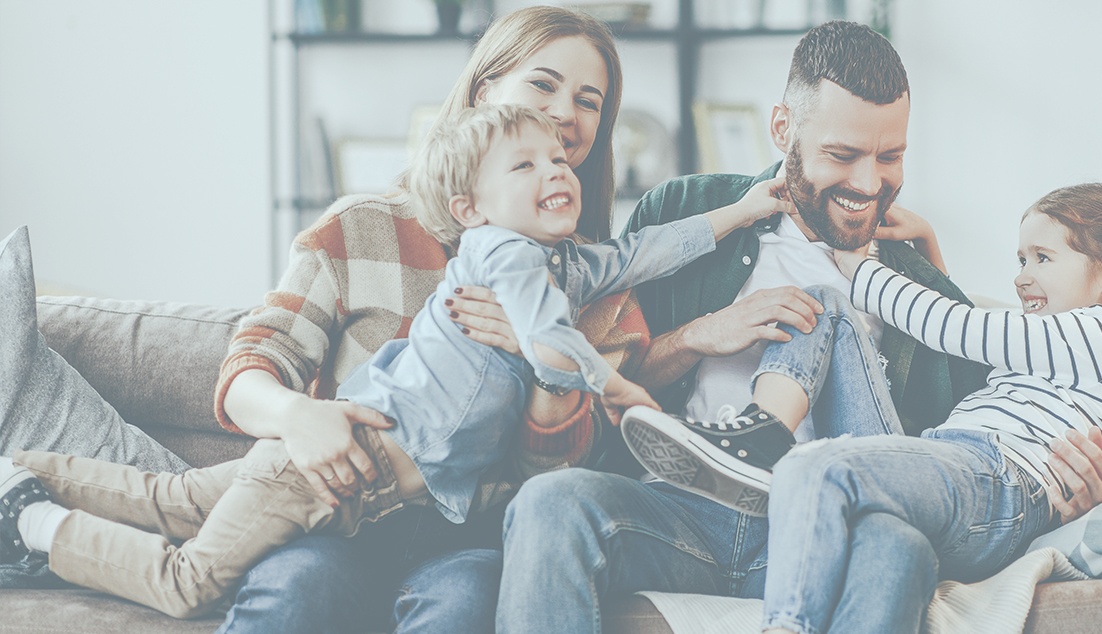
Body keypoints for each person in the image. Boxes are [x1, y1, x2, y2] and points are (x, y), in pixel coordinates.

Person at [0, 103, 787, 619]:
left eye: (563, 157)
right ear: (469, 211)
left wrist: (745, 210)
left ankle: (15, 470)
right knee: (186, 583)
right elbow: (550, 340)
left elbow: (645, 251)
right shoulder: (500, 253)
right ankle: (35, 523)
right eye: (528, 163)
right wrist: (621, 390)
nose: (558, 169)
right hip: (325, 465)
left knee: (167, 496)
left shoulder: (566, 268)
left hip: (368, 496)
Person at [0, 5, 632, 632]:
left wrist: (542, 356)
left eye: (588, 101)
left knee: (463, 606)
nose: (564, 113)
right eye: (544, 84)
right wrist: (297, 416)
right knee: (294, 593)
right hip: (330, 515)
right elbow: (252, 366)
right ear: (485, 89)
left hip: (467, 539)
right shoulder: (362, 227)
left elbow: (550, 487)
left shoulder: (595, 286)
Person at [493, 21, 1102, 633]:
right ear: (782, 127)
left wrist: (1075, 492)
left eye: (891, 156)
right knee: (551, 505)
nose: (869, 184)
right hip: (677, 512)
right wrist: (697, 336)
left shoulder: (915, 286)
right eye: (842, 155)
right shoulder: (686, 210)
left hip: (826, 530)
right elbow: (609, 388)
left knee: (898, 547)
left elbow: (962, 454)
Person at [753, 182, 1102, 634]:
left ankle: (785, 621)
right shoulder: (1059, 348)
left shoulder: (1099, 332)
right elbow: (963, 351)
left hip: (998, 479)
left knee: (816, 467)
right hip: (965, 480)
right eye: (1022, 260)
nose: (1022, 276)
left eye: (1043, 257)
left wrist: (858, 266)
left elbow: (955, 327)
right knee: (891, 544)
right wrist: (927, 243)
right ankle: (759, 430)